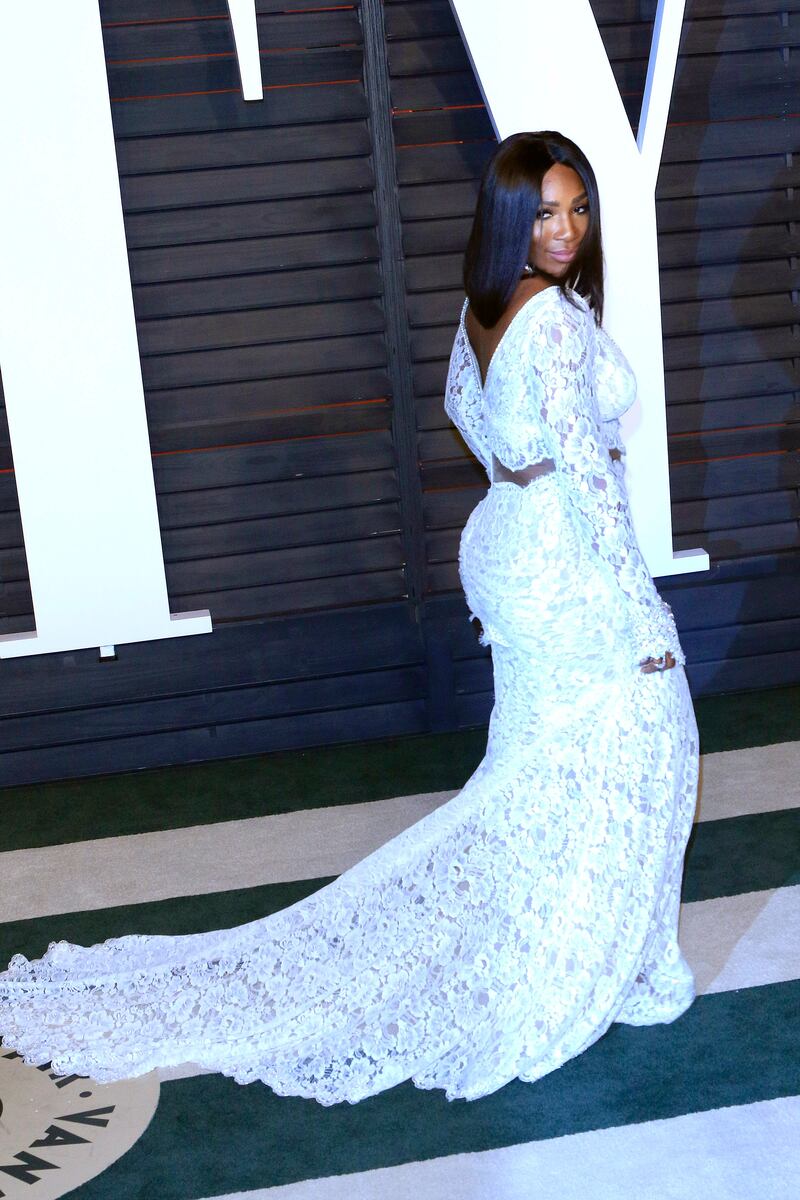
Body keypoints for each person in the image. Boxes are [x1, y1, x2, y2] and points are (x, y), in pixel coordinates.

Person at [0, 131, 698, 1106]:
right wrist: (642, 621)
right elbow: (587, 480)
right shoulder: (552, 325)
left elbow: (462, 405)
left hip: (503, 539)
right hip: (559, 556)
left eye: (577, 208)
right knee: (648, 737)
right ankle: (620, 966)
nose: (566, 229)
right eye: (542, 211)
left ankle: (565, 930)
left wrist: (514, 468)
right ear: (507, 217)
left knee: (537, 760)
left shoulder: (488, 307)